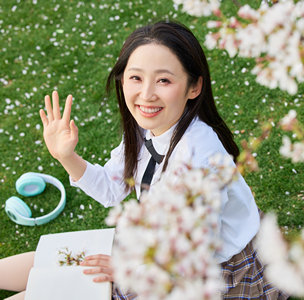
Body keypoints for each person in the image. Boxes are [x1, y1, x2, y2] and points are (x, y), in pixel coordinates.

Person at [0, 21, 288, 299]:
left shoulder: (201, 159)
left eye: (163, 80)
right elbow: (111, 190)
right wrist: (66, 156)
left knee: (67, 285)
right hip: (160, 241)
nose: (146, 94)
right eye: (136, 78)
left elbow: (197, 254)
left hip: (211, 271)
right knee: (63, 257)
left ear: (194, 87)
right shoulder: (150, 129)